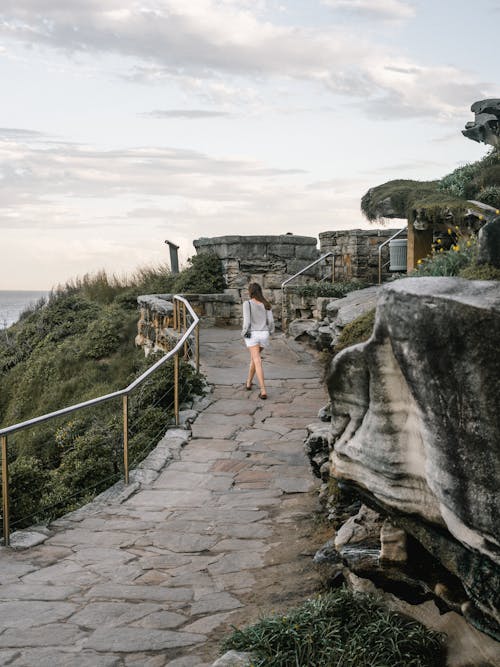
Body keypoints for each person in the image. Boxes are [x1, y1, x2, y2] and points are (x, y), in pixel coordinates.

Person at [241, 282, 275, 399]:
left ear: (250, 292)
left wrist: (243, 333)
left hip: (253, 335)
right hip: (264, 334)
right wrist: (270, 331)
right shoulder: (266, 304)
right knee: (255, 359)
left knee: (257, 360)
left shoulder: (247, 304)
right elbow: (271, 322)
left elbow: (247, 322)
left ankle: (263, 390)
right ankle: (248, 383)